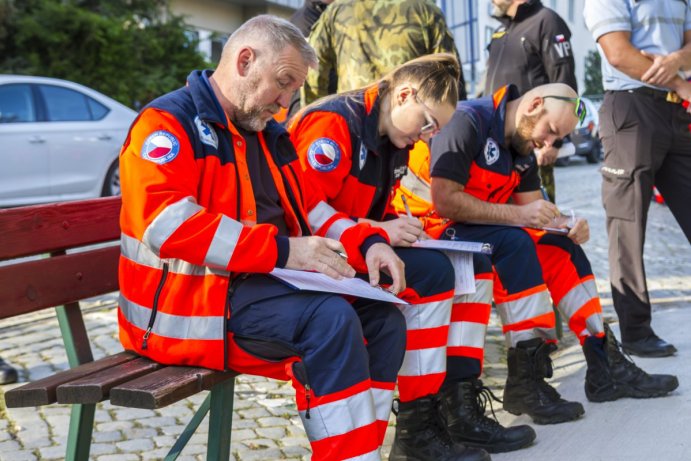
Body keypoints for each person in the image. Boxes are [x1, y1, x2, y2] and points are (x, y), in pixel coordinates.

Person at [117, 15, 415, 461]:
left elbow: (313, 211)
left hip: (256, 291)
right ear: (244, 60)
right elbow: (166, 225)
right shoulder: (167, 123)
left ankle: (359, 451)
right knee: (329, 320)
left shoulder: (268, 133)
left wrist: (369, 242)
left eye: (293, 90)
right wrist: (285, 251)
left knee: (383, 317)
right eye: (283, 83)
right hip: (187, 311)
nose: (285, 102)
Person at [396, 82, 679, 427]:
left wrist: (568, 224)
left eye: (557, 141)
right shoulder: (466, 121)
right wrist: (519, 218)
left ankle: (604, 361)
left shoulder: (521, 145)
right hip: (426, 228)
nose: (548, 146)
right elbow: (445, 201)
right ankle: (526, 379)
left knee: (560, 246)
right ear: (534, 105)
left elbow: (533, 212)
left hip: (475, 231)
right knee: (515, 243)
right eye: (551, 133)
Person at [288, 53, 495, 461]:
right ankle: (417, 428)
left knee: (468, 265)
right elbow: (304, 215)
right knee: (435, 274)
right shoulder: (334, 125)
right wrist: (381, 231)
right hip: (313, 262)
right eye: (428, 124)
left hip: (354, 252)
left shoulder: (390, 137)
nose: (425, 137)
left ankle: (451, 401)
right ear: (404, 95)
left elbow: (369, 210)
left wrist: (395, 225)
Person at [584, 0, 691, 357]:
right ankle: (636, 332)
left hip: (675, 110)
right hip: (631, 108)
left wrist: (676, 59)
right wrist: (679, 77)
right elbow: (618, 52)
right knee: (627, 228)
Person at [484, 0, 577, 203]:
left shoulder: (546, 21)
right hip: (498, 139)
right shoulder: (501, 30)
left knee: (539, 211)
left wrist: (555, 142)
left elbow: (565, 84)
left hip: (534, 140)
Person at [301, 0, 467, 106]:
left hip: (354, 117)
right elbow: (448, 75)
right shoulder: (426, 10)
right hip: (409, 124)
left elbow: (313, 71)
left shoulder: (336, 11)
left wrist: (318, 115)